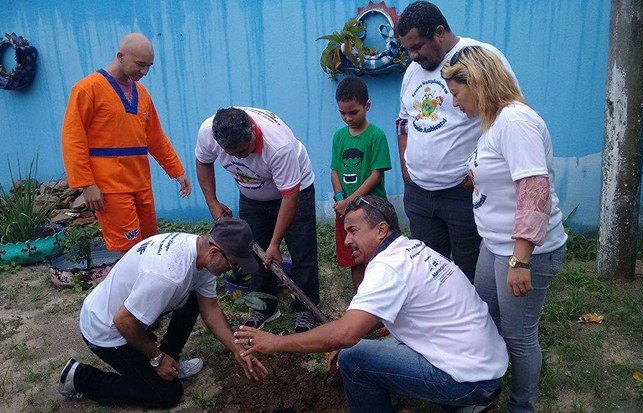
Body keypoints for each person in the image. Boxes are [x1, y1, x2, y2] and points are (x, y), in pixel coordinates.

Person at [233, 196, 509, 413]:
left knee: (354, 357)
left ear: (381, 229)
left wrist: (275, 343)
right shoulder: (412, 248)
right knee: (365, 344)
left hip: (469, 380)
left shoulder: (387, 268)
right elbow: (363, 322)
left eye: (353, 230)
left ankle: (457, 400)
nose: (346, 240)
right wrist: (344, 338)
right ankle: (464, 405)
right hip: (487, 366)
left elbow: (346, 333)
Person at [441, 45, 568, 412]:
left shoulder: (516, 122)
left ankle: (521, 406)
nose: (453, 103)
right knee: (485, 319)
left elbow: (534, 191)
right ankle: (484, 391)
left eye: (455, 93)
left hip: (525, 251)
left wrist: (520, 260)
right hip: (496, 246)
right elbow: (504, 181)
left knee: (518, 335)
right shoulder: (494, 123)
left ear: (476, 82)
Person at [57, 217, 268, 407]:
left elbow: (210, 307)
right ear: (214, 252)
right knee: (166, 394)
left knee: (194, 298)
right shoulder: (167, 275)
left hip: (127, 311)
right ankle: (81, 377)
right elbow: (123, 321)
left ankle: (170, 365)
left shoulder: (199, 251)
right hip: (107, 331)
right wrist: (157, 359)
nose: (231, 270)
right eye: (232, 264)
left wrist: (236, 348)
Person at [395, 1, 518, 283]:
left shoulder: (481, 58)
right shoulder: (412, 71)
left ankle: (478, 325)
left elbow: (507, 115)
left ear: (439, 33)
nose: (413, 56)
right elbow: (403, 120)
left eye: (418, 47)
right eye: (408, 49)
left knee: (471, 270)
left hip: (463, 194)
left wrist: (484, 170)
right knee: (430, 273)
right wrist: (406, 167)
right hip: (419, 194)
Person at [62, 33, 191, 253]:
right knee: (129, 250)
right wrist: (86, 184)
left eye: (149, 66)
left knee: (149, 242)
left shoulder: (142, 93)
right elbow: (73, 139)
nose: (144, 72)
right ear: (120, 56)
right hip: (111, 186)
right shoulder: (87, 89)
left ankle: (149, 286)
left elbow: (155, 137)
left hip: (141, 181)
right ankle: (130, 287)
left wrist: (176, 170)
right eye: (140, 65)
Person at [195, 107, 320, 333]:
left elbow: (290, 197)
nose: (241, 157)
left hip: (294, 191)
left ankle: (306, 308)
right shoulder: (207, 132)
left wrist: (275, 244)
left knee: (302, 248)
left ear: (252, 130)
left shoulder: (279, 146)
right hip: (252, 194)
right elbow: (203, 162)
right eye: (233, 153)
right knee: (252, 248)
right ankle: (265, 307)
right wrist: (212, 202)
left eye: (245, 150)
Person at [331, 77, 392, 289]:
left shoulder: (376, 136)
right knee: (354, 257)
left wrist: (350, 200)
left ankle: (381, 300)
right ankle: (361, 299)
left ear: (367, 106)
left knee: (377, 257)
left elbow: (375, 175)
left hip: (371, 209)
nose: (348, 118)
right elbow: (335, 170)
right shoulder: (339, 137)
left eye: (353, 112)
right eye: (342, 113)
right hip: (346, 210)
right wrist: (340, 199)